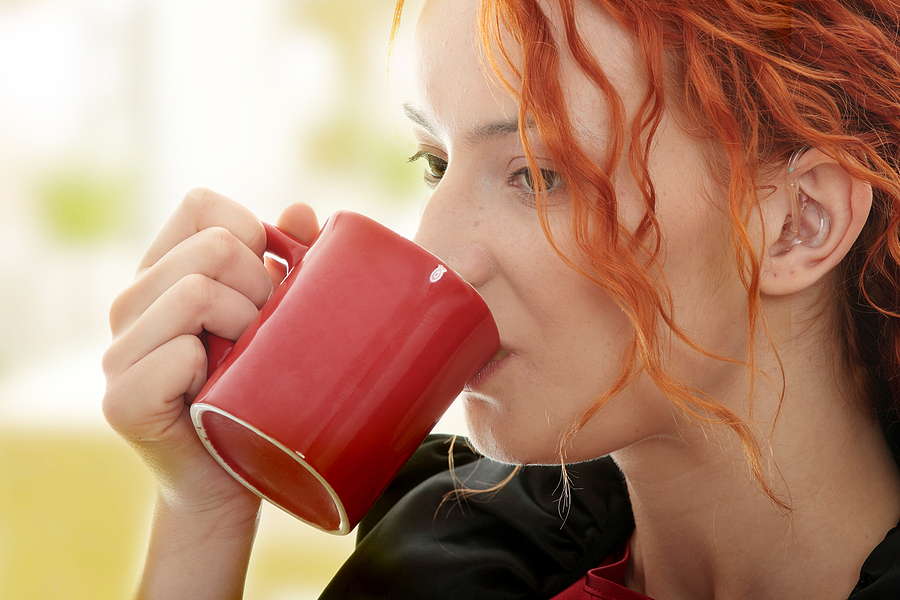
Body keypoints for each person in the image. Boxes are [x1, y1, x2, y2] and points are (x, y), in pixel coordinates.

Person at [101, 0, 900, 598]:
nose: (435, 252)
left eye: (539, 175)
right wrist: (202, 514)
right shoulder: (439, 565)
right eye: (434, 163)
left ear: (798, 222)